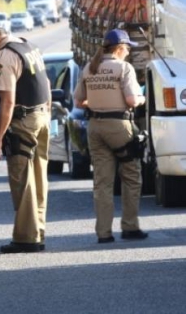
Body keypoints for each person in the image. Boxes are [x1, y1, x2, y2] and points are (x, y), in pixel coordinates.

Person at [0, 17, 51, 253]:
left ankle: (27, 238)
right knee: (39, 179)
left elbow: (7, 102)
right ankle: (38, 230)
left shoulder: (4, 57)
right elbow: (45, 83)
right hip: (41, 116)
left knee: (22, 181)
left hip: (23, 122)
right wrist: (45, 113)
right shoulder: (28, 45)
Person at [73, 28, 147, 243]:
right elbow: (132, 100)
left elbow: (79, 101)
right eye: (127, 49)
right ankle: (130, 227)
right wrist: (142, 99)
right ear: (120, 48)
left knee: (102, 182)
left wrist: (99, 101)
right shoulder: (123, 68)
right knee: (131, 176)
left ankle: (103, 233)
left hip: (95, 127)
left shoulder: (90, 68)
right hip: (119, 126)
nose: (128, 53)